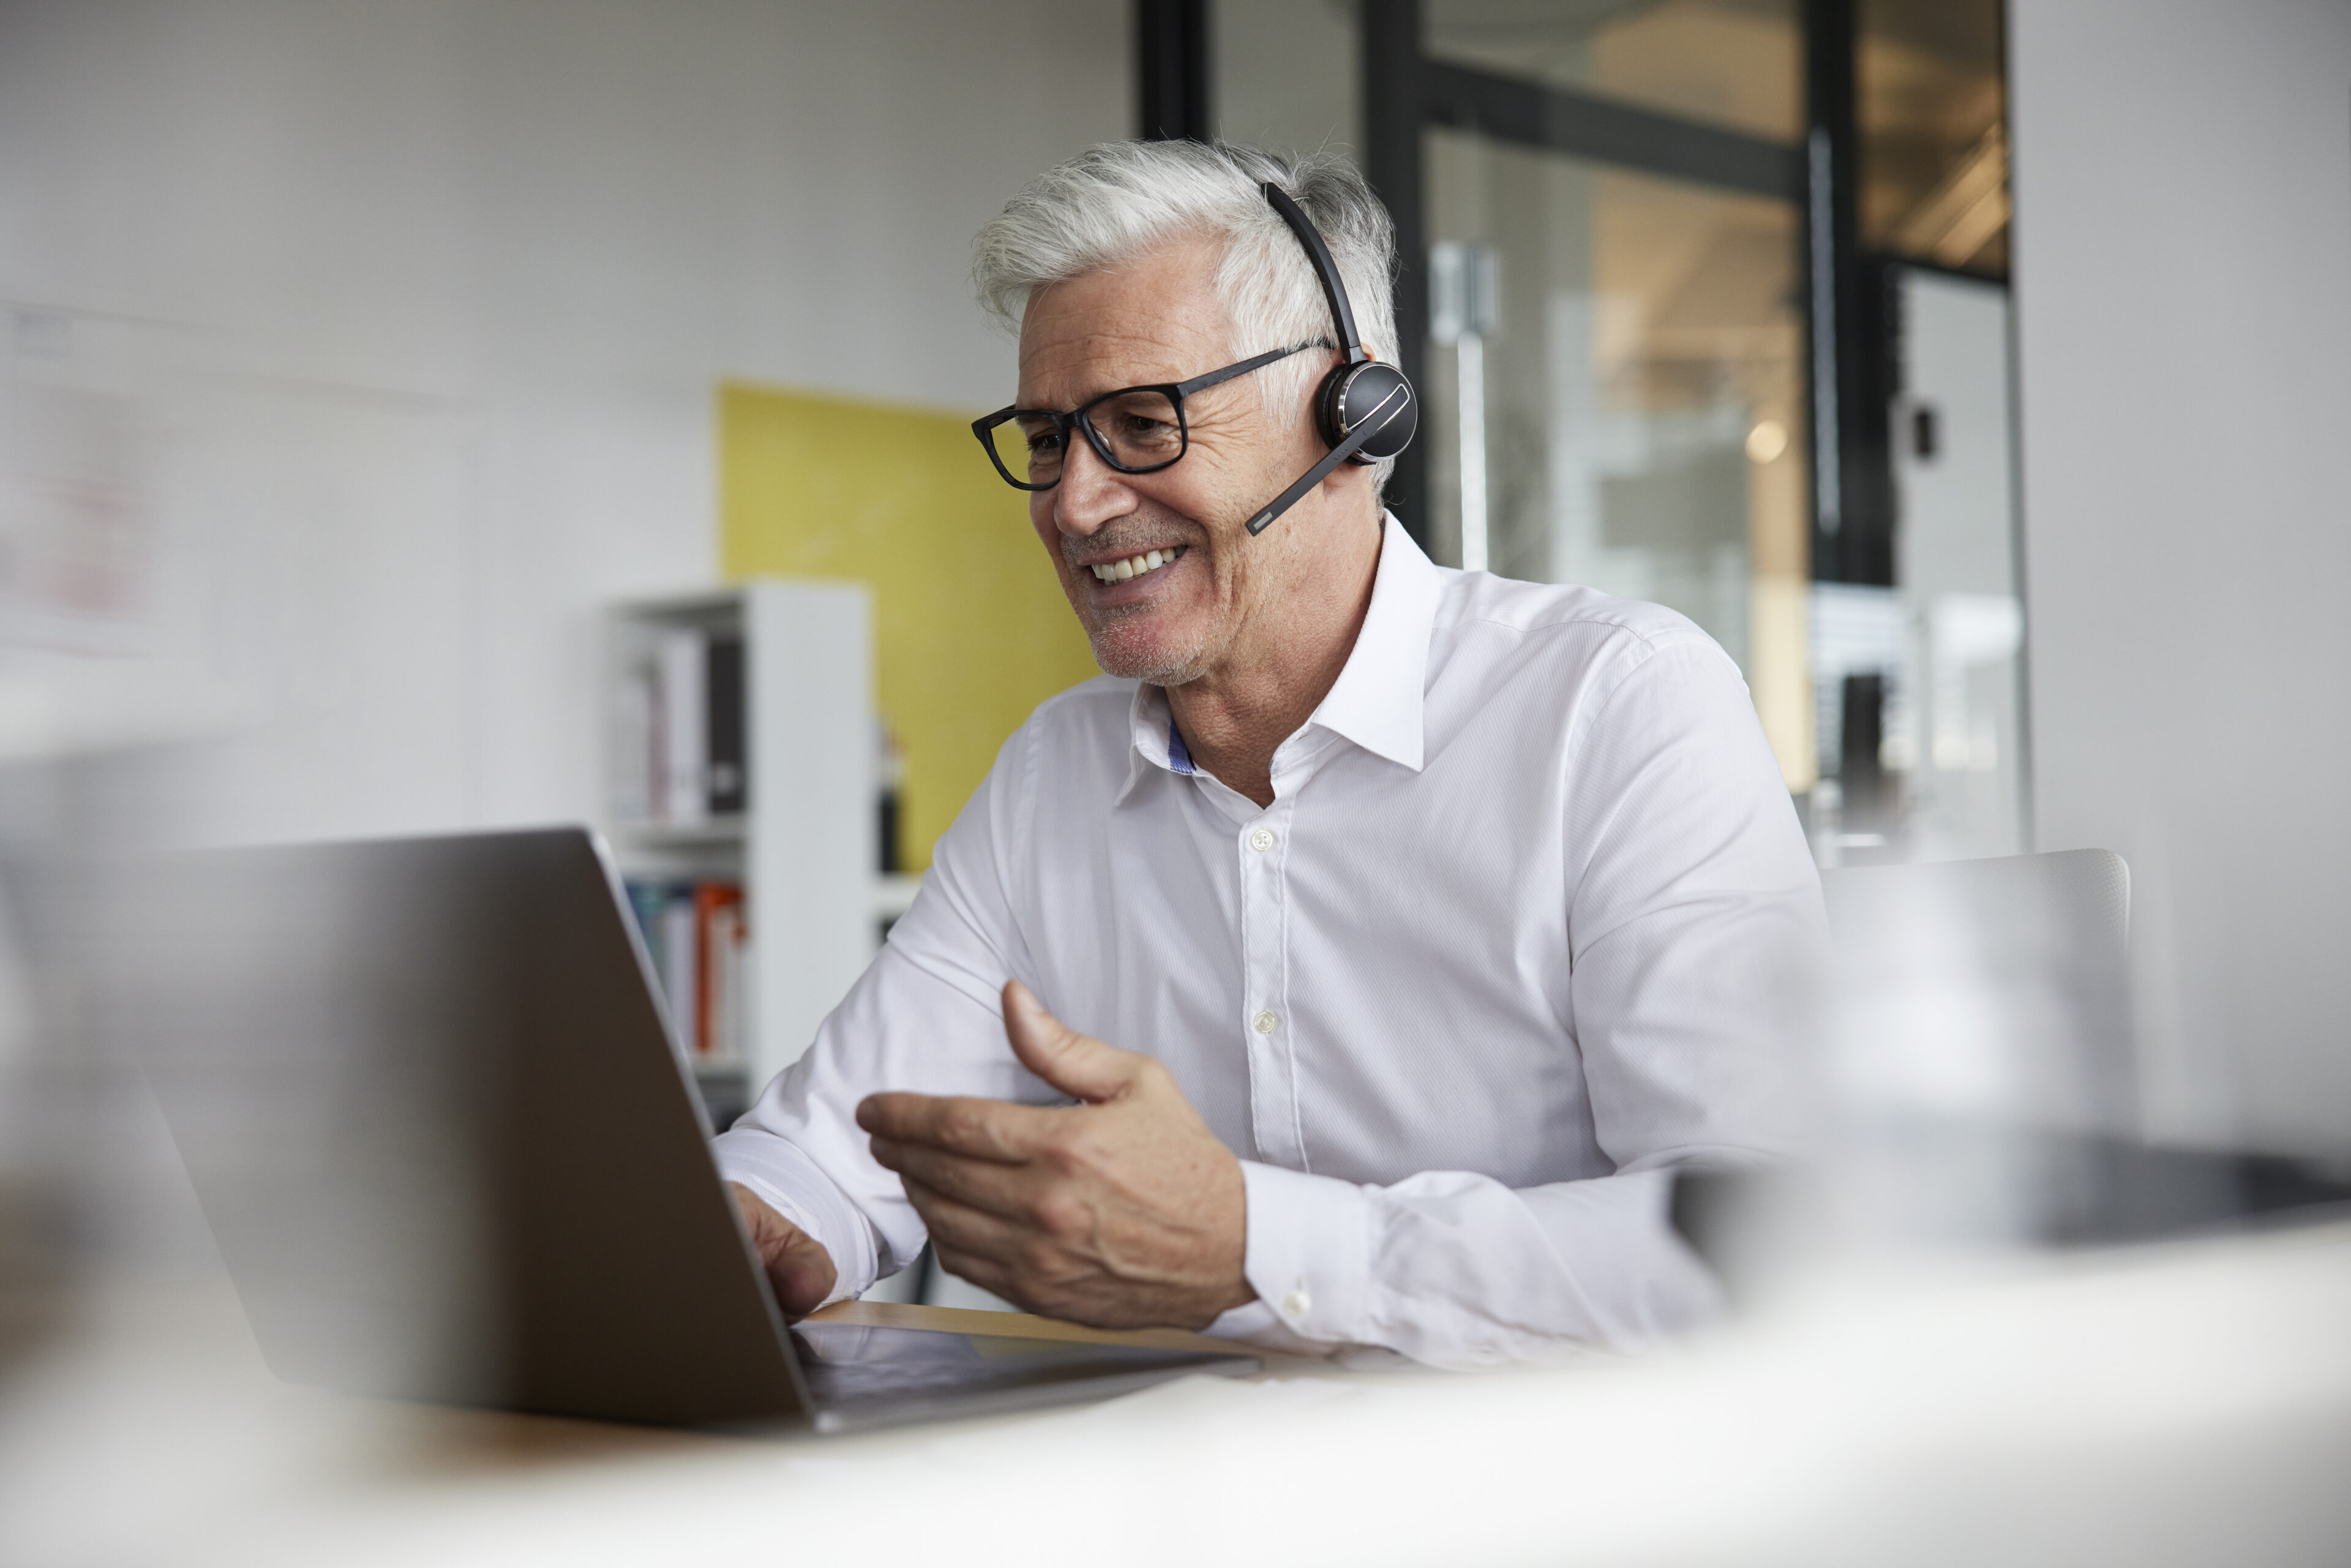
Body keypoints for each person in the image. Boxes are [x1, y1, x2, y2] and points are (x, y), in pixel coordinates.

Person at [715, 140, 1828, 1368]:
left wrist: (1256, 1243)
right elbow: (825, 1154)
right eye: (1047, 439)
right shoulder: (1053, 775)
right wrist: (746, 1222)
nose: (1075, 505)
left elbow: (1757, 1240)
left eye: (1143, 424)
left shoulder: (1616, 705)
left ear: (1354, 416)